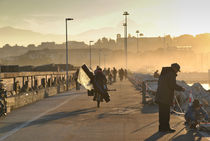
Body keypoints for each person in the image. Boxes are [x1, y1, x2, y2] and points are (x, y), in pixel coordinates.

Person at [155, 63, 185, 132]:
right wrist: (181, 88)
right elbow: (172, 85)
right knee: (166, 113)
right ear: (174, 68)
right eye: (177, 70)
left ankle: (161, 128)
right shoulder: (171, 74)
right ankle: (166, 128)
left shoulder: (164, 72)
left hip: (160, 96)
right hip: (166, 97)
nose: (177, 71)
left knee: (162, 113)